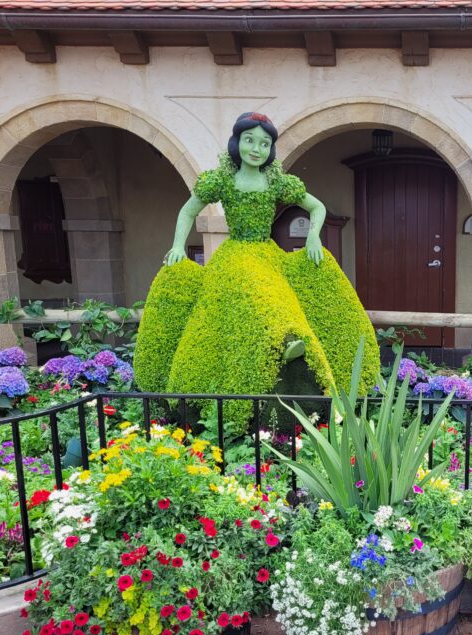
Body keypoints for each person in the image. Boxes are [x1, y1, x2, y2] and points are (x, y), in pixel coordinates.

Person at [134, 112, 378, 423]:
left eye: (264, 143)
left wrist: (314, 237)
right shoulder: (221, 180)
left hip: (267, 252)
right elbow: (188, 211)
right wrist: (178, 245)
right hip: (235, 253)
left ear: (270, 150)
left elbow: (316, 207)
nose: (256, 149)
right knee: (251, 286)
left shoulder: (275, 181)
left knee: (287, 282)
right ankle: (280, 343)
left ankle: (293, 342)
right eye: (250, 140)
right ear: (238, 143)